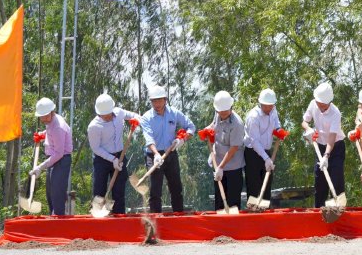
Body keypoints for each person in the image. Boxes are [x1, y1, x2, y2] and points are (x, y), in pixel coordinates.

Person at [140, 85, 195, 213]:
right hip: (153, 155)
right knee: (155, 191)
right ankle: (156, 222)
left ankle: (178, 218)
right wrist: (156, 155)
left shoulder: (174, 113)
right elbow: (148, 139)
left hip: (171, 153)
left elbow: (191, 127)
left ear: (165, 99)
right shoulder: (147, 117)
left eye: (159, 100)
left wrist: (182, 139)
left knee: (176, 188)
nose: (157, 104)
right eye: (154, 101)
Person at [87, 93, 140, 214]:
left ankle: (119, 217)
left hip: (120, 155)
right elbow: (96, 148)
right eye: (103, 115)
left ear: (112, 110)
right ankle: (97, 218)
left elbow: (133, 115)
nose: (106, 117)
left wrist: (137, 119)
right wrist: (112, 159)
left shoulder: (119, 113)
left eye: (108, 114)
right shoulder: (94, 127)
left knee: (119, 191)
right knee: (99, 191)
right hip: (102, 159)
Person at [302, 82, 346, 208]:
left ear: (329, 102)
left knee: (336, 180)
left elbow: (332, 137)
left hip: (336, 147)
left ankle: (338, 209)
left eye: (322, 104)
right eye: (318, 102)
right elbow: (304, 121)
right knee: (320, 182)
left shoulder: (335, 113)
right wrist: (308, 129)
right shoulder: (313, 103)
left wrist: (326, 156)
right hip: (319, 146)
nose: (319, 105)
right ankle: (319, 211)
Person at [30, 98, 73, 216]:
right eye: (41, 116)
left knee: (57, 193)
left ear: (52, 112)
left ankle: (58, 222)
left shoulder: (58, 126)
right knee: (50, 192)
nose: (43, 119)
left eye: (45, 116)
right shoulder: (51, 122)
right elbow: (50, 132)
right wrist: (42, 135)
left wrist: (40, 167)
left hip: (61, 159)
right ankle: (53, 219)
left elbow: (59, 153)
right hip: (54, 159)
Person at [208, 91, 245, 210]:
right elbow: (214, 124)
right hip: (218, 162)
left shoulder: (237, 124)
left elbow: (234, 148)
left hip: (233, 166)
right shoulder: (218, 113)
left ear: (231, 107)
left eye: (225, 112)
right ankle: (219, 226)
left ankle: (234, 227)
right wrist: (208, 130)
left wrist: (221, 167)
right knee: (219, 202)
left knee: (233, 203)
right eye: (220, 112)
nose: (222, 114)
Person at [244, 88, 281, 207]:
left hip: (267, 151)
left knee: (267, 184)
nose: (268, 109)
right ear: (260, 104)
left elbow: (276, 123)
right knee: (254, 186)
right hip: (252, 153)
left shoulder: (273, 111)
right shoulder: (253, 117)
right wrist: (266, 158)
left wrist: (279, 131)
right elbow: (254, 142)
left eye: (271, 106)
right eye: (266, 106)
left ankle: (265, 211)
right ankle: (252, 214)